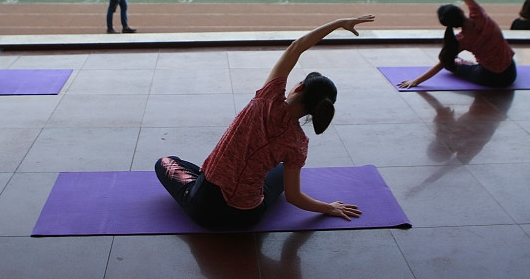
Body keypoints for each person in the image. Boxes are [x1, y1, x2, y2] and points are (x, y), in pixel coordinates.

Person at [155, 15, 374, 230]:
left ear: (298, 88)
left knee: (166, 161)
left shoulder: (268, 98)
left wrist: (338, 24)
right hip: (246, 216)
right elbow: (294, 197)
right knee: (280, 171)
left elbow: (297, 47)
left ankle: (200, 182)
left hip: (203, 207)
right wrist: (328, 208)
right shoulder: (298, 143)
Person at [399, 0, 516, 89]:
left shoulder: (461, 40)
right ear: (461, 10)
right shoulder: (479, 14)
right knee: (468, 63)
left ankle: (463, 63)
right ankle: (466, 63)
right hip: (511, 72)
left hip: (489, 77)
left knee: (453, 64)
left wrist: (416, 81)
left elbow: (444, 63)